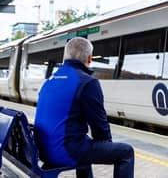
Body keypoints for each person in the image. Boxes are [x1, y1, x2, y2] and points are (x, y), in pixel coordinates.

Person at [34, 37, 134, 178]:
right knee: (126, 152)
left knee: (84, 143)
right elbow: (99, 126)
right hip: (64, 152)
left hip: (43, 151)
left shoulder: (49, 80)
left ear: (65, 57)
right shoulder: (87, 82)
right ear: (89, 58)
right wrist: (106, 148)